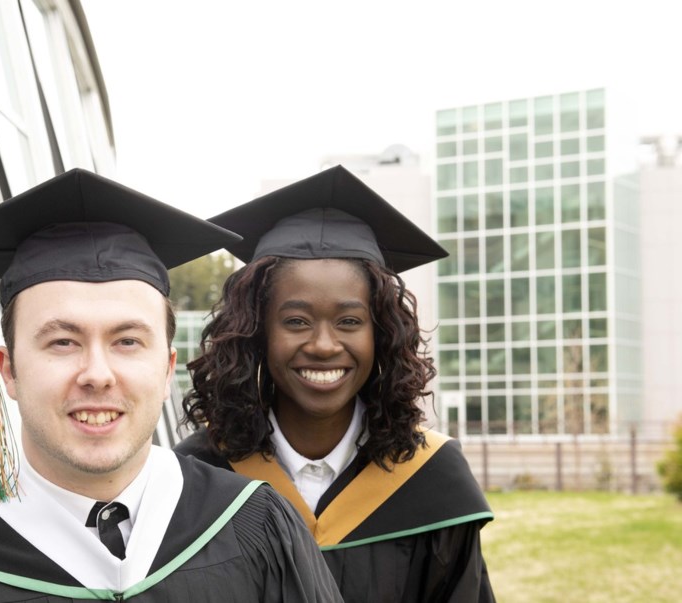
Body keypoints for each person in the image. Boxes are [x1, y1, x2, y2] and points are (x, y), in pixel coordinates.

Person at [0, 169, 343, 602]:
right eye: (63, 342)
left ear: (166, 365)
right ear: (7, 369)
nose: (97, 373)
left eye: (127, 341)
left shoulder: (257, 530)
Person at [176, 165, 496, 602]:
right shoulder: (199, 477)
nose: (324, 345)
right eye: (296, 321)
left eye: (349, 321)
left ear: (380, 333)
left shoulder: (432, 479)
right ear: (257, 332)